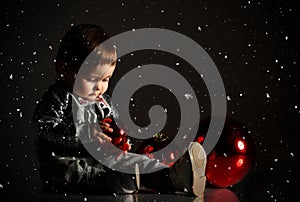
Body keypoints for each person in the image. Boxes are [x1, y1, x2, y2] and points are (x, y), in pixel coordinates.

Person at [32, 23, 207, 197]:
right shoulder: (60, 96)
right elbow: (45, 129)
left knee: (136, 161)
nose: (99, 87)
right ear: (65, 68)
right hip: (69, 166)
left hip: (101, 160)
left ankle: (175, 176)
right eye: (92, 79)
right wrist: (86, 133)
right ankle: (132, 179)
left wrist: (119, 138)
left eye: (105, 79)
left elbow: (116, 128)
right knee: (105, 178)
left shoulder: (101, 102)